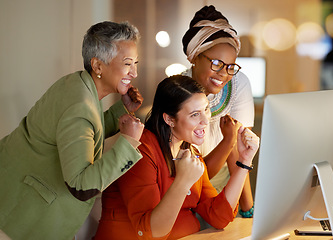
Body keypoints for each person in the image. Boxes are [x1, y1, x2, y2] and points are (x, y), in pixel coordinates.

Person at [0, 21, 145, 240]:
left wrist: (120, 112)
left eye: (135, 63)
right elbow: (81, 186)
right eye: (127, 63)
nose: (134, 72)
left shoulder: (77, 84)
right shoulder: (79, 105)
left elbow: (80, 134)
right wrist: (128, 143)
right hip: (20, 216)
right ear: (97, 66)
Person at [94, 75, 260, 239]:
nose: (205, 121)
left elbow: (218, 216)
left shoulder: (190, 153)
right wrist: (183, 181)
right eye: (195, 114)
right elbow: (151, 232)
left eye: (206, 110)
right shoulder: (142, 151)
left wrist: (244, 162)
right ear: (169, 119)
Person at [181, 5, 255, 217]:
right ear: (194, 57)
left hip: (226, 188)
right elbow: (197, 176)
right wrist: (228, 140)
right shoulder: (177, 92)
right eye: (216, 63)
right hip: (186, 191)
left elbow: (240, 152)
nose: (224, 73)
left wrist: (247, 208)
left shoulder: (238, 83)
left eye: (231, 66)